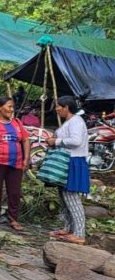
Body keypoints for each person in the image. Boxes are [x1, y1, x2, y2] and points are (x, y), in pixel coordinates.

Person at [46, 95, 90, 245]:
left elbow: (76, 141)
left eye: (58, 106)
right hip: (67, 161)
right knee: (64, 197)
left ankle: (79, 233)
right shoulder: (70, 122)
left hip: (74, 161)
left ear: (67, 107)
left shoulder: (76, 122)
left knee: (71, 198)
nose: (56, 109)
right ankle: (68, 227)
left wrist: (56, 141)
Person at [0, 97, 30, 230]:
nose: (11, 110)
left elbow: (25, 140)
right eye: (9, 106)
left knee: (15, 191)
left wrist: (26, 159)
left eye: (12, 107)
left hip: (15, 162)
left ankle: (13, 218)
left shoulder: (16, 123)